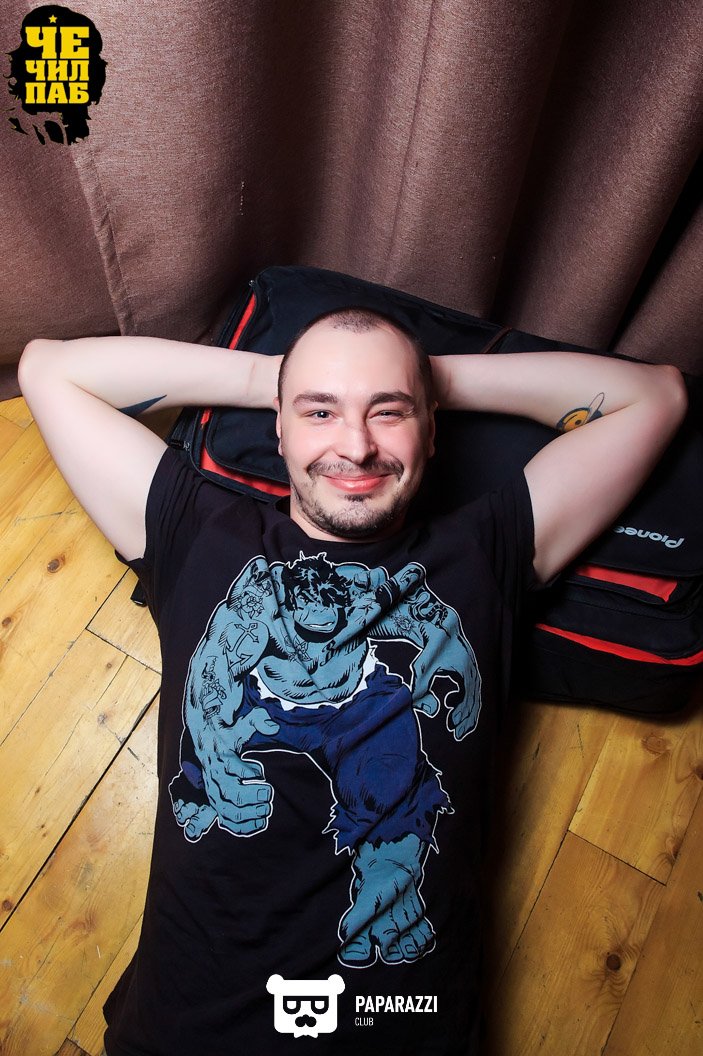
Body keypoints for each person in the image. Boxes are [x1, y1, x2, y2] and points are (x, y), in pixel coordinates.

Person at [18, 312, 687, 1056]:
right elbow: (49, 369)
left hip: (395, 1030)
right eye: (320, 413)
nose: (357, 445)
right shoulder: (204, 536)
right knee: (218, 745)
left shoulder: (477, 552)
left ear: (431, 430)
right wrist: (273, 380)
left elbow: (656, 396)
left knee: (395, 786)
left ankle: (388, 907)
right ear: (279, 429)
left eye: (388, 413)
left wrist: (425, 382)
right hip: (191, 1033)